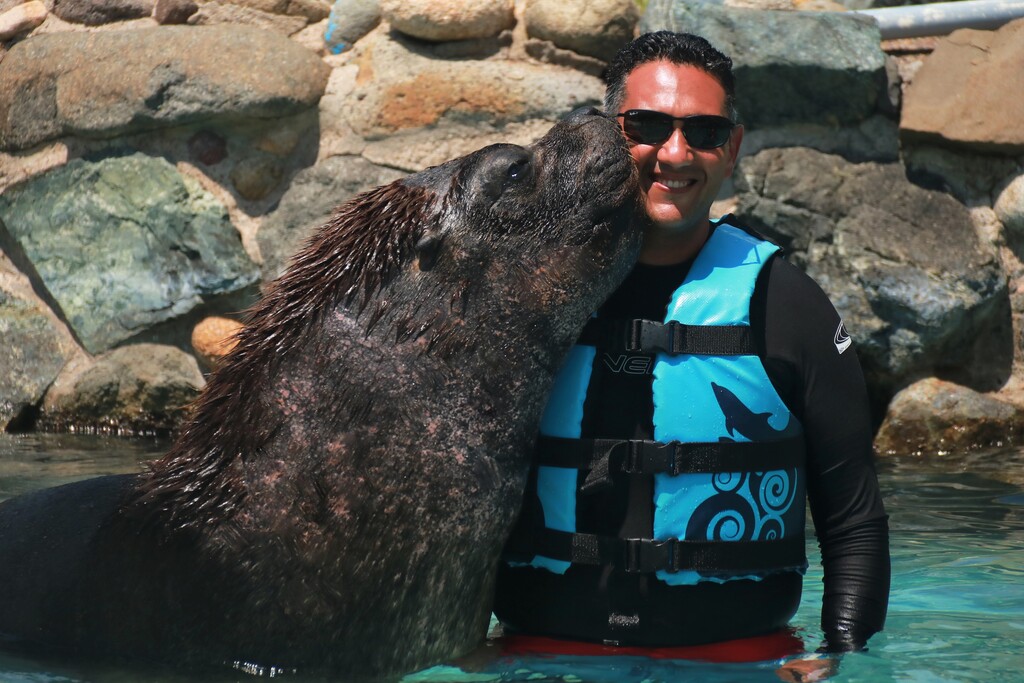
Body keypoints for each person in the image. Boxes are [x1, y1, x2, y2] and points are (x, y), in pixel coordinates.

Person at [495, 30, 890, 667]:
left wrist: (841, 658)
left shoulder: (790, 307)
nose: (674, 153)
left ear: (731, 148)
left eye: (703, 132)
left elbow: (853, 519)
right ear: (607, 135)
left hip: (739, 663)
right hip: (541, 658)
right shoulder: (524, 296)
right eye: (646, 125)